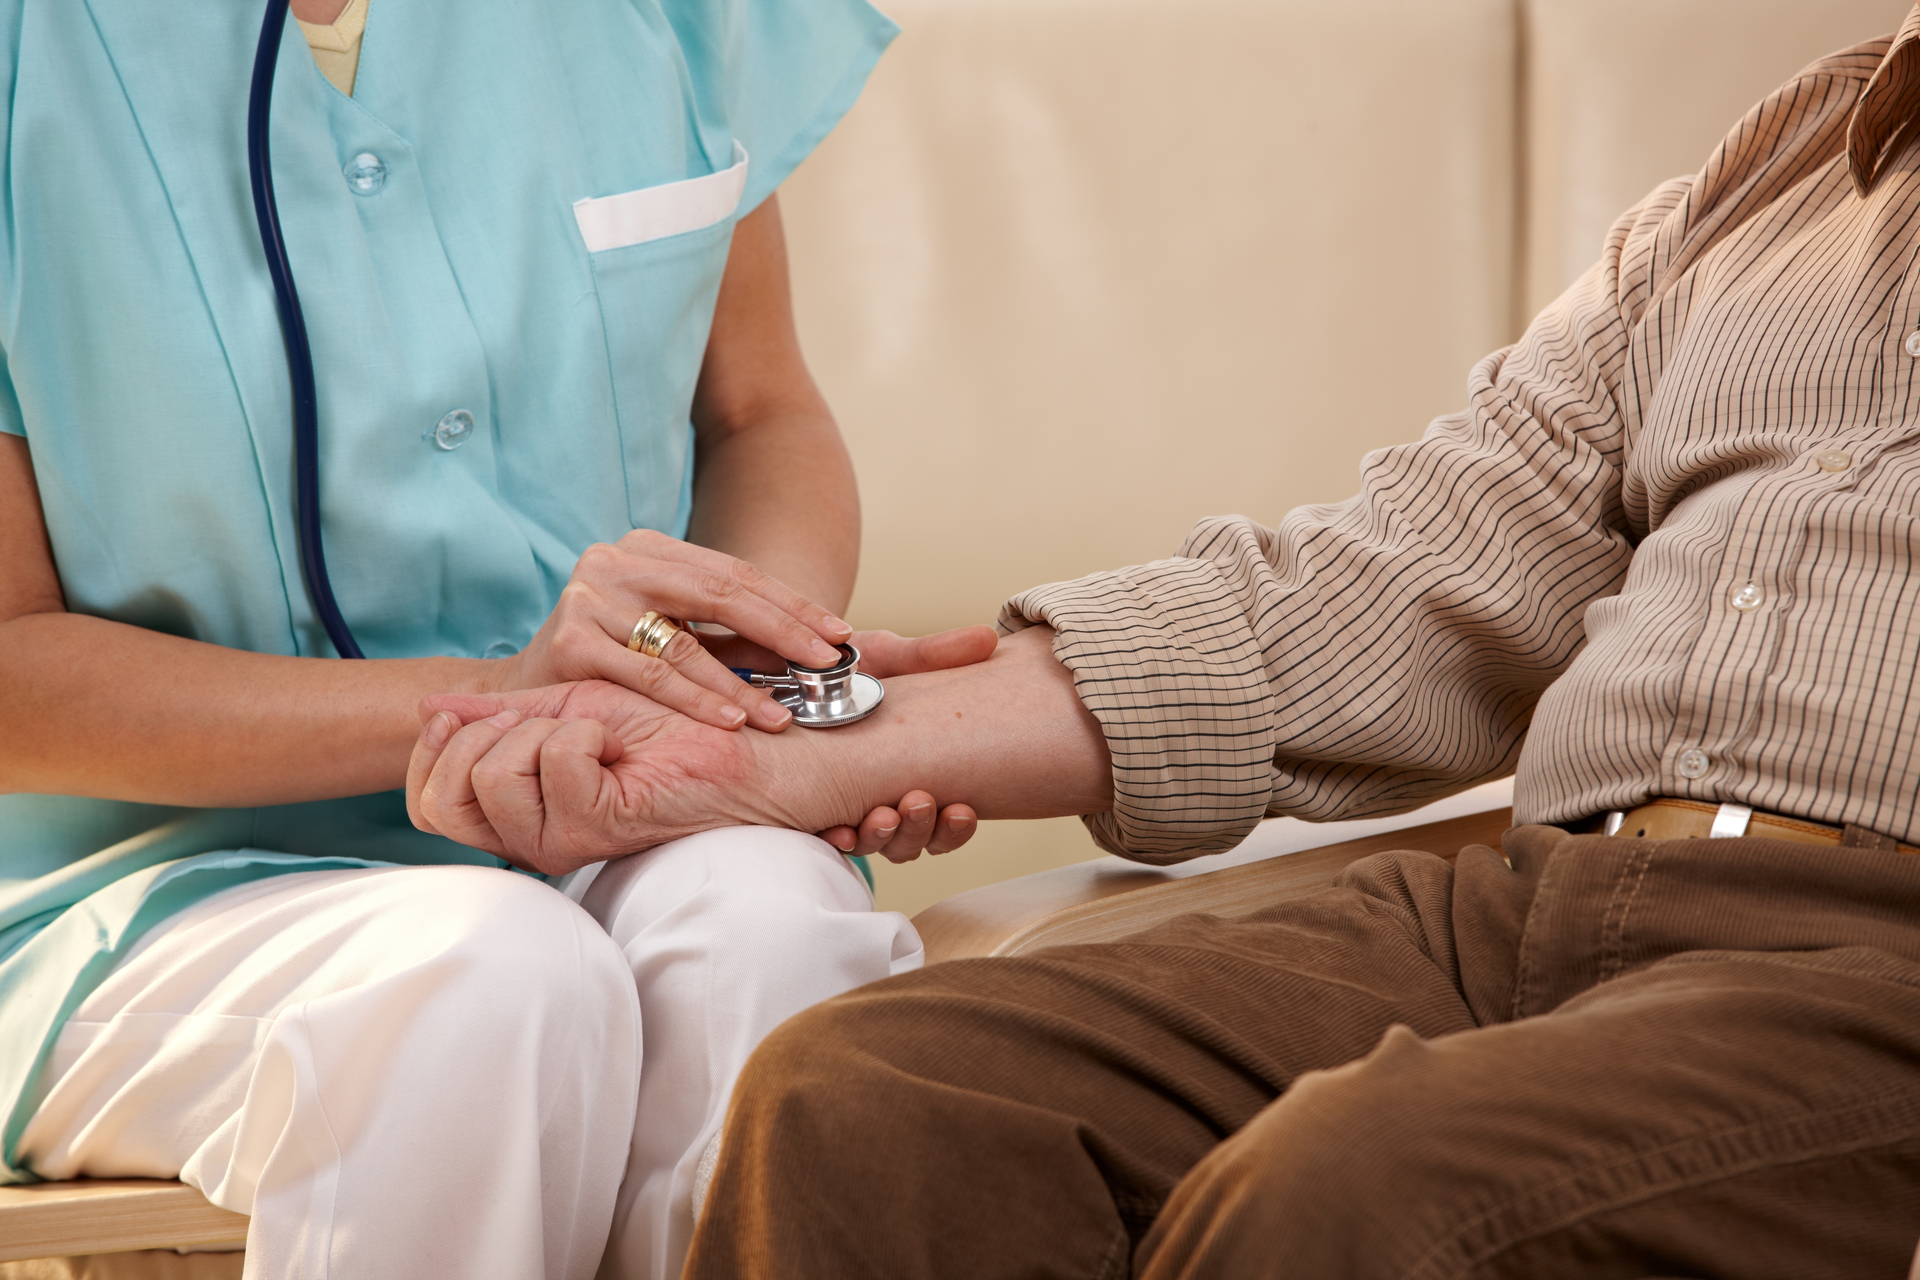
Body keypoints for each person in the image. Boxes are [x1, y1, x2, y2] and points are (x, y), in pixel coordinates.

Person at [413, 13, 1920, 1277]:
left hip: (1872, 977)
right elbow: (1399, 585)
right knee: (872, 1094)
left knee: (1351, 1199)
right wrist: (776, 752)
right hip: (1543, 904)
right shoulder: (1784, 176)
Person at [0, 1, 985, 1277]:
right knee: (490, 985)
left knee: (770, 924)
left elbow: (758, 411)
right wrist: (503, 699)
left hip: (626, 798)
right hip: (137, 886)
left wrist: (765, 683)